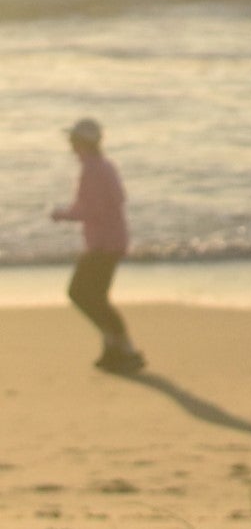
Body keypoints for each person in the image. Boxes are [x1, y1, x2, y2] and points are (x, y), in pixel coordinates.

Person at [52, 119, 143, 376]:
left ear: (83, 142)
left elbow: (92, 209)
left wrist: (62, 214)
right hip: (112, 241)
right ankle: (113, 349)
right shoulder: (105, 166)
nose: (70, 144)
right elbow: (116, 200)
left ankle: (124, 348)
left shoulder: (91, 170)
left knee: (80, 293)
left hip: (103, 244)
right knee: (96, 297)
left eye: (73, 140)